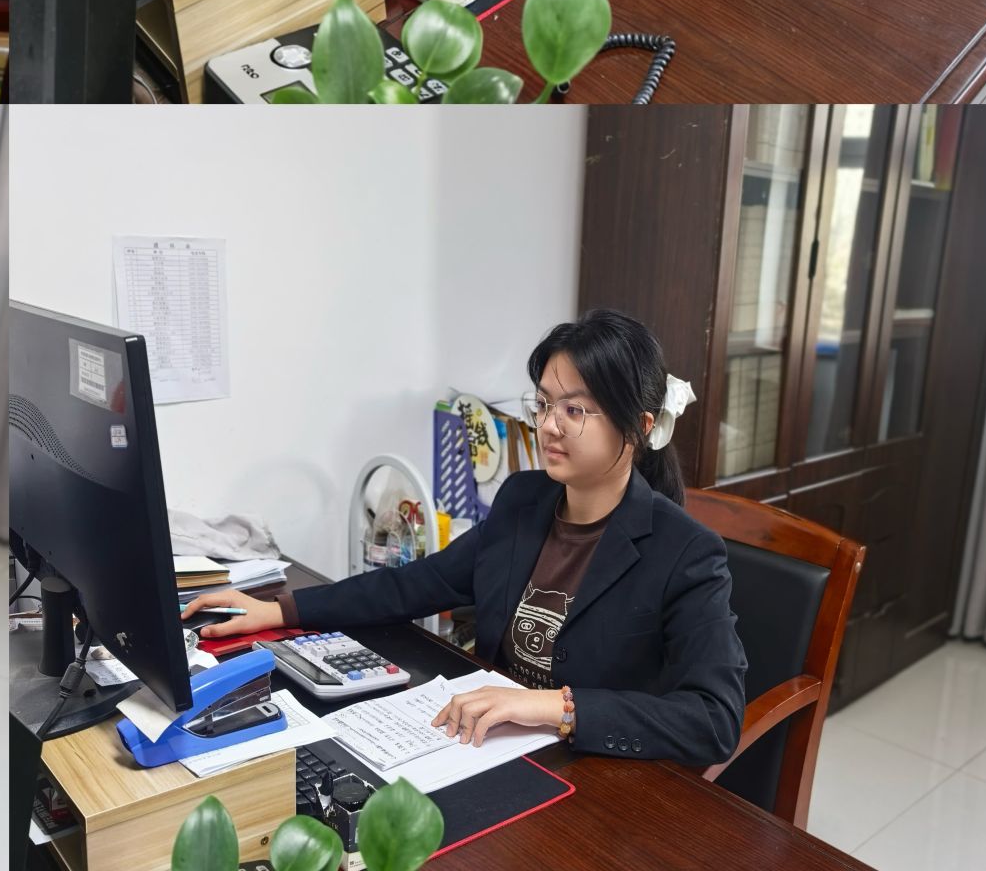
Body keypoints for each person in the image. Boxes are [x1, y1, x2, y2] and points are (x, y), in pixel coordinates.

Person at [186, 310, 748, 768]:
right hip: (484, 747)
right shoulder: (524, 501)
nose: (548, 425)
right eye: (544, 404)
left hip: (593, 775)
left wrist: (557, 708)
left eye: (574, 410)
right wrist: (279, 610)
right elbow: (416, 585)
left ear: (640, 427)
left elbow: (714, 719)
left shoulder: (685, 553)